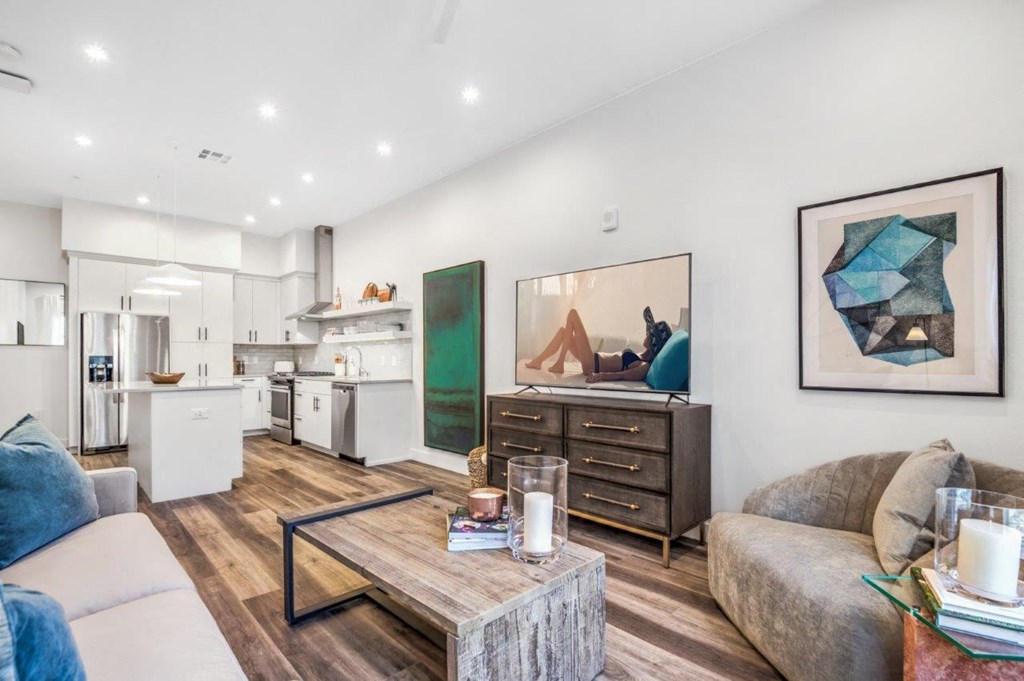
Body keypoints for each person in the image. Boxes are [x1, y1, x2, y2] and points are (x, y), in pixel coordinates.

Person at [524, 306, 671, 384]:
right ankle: (538, 362)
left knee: (573, 314)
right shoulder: (641, 355)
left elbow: (623, 376)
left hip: (592, 365)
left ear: (653, 343)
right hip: (591, 358)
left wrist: (600, 376)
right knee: (564, 332)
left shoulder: (644, 366)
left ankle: (560, 363)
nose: (646, 334)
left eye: (649, 334)